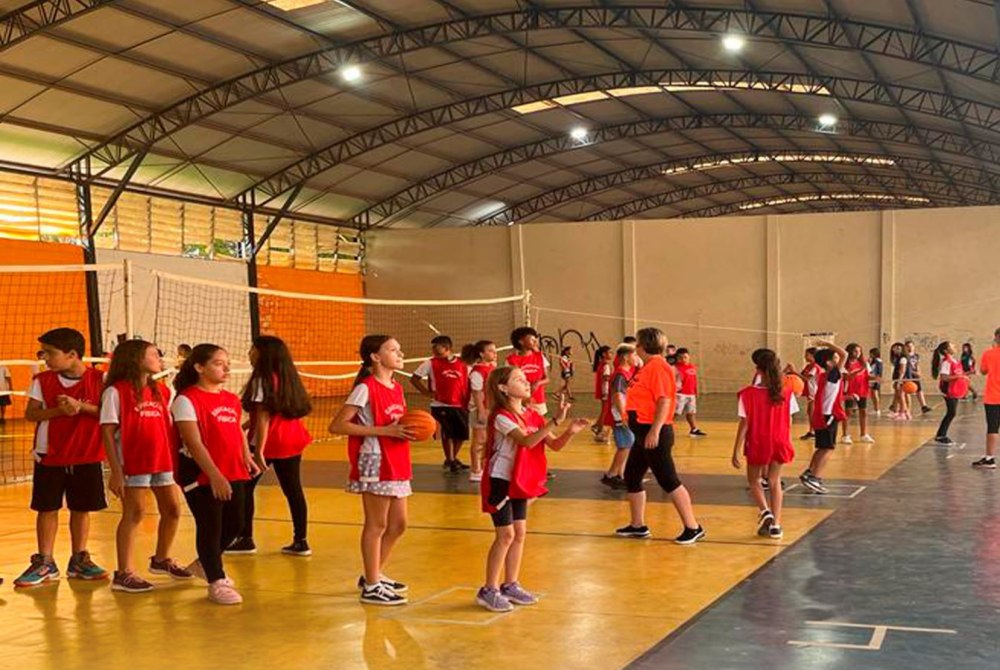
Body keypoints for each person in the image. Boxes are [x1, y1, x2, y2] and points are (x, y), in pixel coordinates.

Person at [476, 366, 588, 613]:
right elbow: (526, 441)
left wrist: (569, 431)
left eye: (526, 379)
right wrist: (554, 421)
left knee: (519, 533)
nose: (527, 383)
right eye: (519, 380)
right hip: (500, 480)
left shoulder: (532, 415)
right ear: (503, 388)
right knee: (505, 535)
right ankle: (488, 589)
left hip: (520, 480)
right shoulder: (501, 416)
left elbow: (554, 445)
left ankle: (510, 584)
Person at [14, 328, 108, 588]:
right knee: (47, 508)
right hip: (50, 454)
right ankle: (45, 561)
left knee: (81, 508)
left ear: (72, 355)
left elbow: (108, 412)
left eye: (49, 353)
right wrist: (59, 411)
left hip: (87, 454)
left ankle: (79, 559)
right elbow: (31, 414)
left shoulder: (99, 380)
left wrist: (81, 406)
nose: (44, 358)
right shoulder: (42, 380)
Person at [329, 335, 416, 606]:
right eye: (393, 350)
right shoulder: (365, 388)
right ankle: (371, 586)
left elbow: (398, 422)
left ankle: (373, 573)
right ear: (375, 357)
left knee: (399, 524)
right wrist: (385, 431)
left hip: (397, 456)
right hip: (376, 459)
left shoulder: (397, 387)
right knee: (377, 524)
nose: (400, 353)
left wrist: (417, 428)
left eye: (399, 349)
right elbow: (337, 426)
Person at [101, 339, 192, 593]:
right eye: (154, 354)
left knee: (173, 510)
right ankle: (124, 573)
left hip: (162, 460)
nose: (159, 358)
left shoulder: (161, 390)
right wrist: (116, 472)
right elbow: (107, 432)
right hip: (133, 463)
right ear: (136, 359)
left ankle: (161, 559)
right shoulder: (115, 392)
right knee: (135, 513)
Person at [173, 344, 260, 605]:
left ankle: (205, 562)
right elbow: (193, 442)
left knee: (236, 523)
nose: (226, 368)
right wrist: (214, 475)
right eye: (219, 364)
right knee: (210, 525)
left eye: (227, 363)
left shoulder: (231, 399)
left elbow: (236, 431)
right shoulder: (186, 400)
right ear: (200, 367)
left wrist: (247, 457)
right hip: (201, 474)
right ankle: (216, 579)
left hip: (233, 469)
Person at [615, 327, 704, 544]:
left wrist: (654, 430)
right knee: (632, 476)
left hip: (654, 432)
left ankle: (693, 527)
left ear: (643, 346)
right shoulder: (647, 367)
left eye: (637, 343)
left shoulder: (658, 367)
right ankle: (638, 525)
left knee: (668, 479)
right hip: (642, 432)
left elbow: (664, 400)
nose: (635, 347)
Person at [232, 335, 313, 556]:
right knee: (293, 490)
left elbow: (264, 418)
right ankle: (301, 541)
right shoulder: (287, 378)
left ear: (263, 354)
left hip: (270, 442)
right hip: (292, 439)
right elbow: (268, 414)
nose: (249, 353)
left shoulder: (262, 380)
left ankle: (245, 538)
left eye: (253, 349)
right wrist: (244, 426)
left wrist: (258, 452)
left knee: (244, 489)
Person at [731, 349, 797, 540]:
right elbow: (790, 420)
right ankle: (776, 525)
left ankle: (765, 511)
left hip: (758, 441)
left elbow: (744, 424)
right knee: (775, 482)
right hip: (780, 440)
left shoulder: (747, 394)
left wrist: (735, 450)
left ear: (757, 370)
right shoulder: (787, 392)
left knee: (754, 480)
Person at [412, 335, 470, 473]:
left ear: (446, 347)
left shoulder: (463, 363)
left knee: (462, 434)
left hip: (460, 403)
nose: (433, 349)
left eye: (435, 346)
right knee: (447, 432)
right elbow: (414, 379)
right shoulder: (430, 363)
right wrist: (426, 392)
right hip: (440, 404)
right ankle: (450, 459)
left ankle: (452, 458)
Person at [799, 341, 848, 495]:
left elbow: (830, 395)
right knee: (827, 448)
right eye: (835, 358)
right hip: (828, 415)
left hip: (822, 414)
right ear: (829, 362)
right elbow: (844, 354)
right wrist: (826, 343)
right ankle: (815, 477)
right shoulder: (833, 373)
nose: (838, 360)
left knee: (822, 447)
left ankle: (810, 472)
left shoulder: (825, 375)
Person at [601, 343, 637, 489]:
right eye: (634, 355)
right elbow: (617, 395)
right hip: (620, 415)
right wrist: (623, 415)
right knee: (625, 445)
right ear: (626, 357)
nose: (636, 358)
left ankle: (620, 474)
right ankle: (611, 475)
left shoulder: (626, 373)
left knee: (627, 445)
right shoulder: (620, 375)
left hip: (624, 413)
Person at [468, 340, 497, 483]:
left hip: (491, 409)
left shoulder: (492, 367)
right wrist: (481, 411)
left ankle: (485, 468)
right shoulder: (477, 372)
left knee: (488, 441)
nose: (494, 353)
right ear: (481, 354)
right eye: (490, 351)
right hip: (480, 409)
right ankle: (475, 470)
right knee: (479, 441)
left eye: (495, 350)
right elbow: (477, 393)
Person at [931, 341, 969, 445]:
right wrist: (959, 376)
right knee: (951, 412)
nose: (955, 346)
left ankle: (940, 435)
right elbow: (944, 377)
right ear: (946, 350)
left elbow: (957, 374)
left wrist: (964, 376)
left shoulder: (955, 361)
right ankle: (940, 435)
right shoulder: (946, 362)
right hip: (948, 390)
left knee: (951, 413)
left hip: (955, 390)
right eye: (952, 345)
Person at [506, 327, 550, 415]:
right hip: (520, 400)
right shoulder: (511, 360)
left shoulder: (540, 357)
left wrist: (537, 383)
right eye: (532, 339)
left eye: (535, 339)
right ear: (521, 342)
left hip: (538, 399)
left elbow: (547, 378)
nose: (535, 342)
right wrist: (524, 399)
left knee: (539, 422)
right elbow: (511, 381)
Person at [974, 328, 1000, 469]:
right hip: (993, 397)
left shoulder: (989, 353)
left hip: (993, 397)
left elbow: (983, 371)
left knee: (993, 428)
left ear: (996, 338)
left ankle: (990, 459)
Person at [841, 343, 873, 444]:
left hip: (862, 389)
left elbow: (867, 376)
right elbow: (847, 377)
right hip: (850, 390)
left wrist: (876, 378)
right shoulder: (845, 364)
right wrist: (860, 370)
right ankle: (845, 435)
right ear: (850, 351)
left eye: (859, 351)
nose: (857, 353)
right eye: (855, 351)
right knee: (848, 412)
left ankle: (864, 434)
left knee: (863, 412)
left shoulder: (864, 363)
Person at [674, 348, 706, 437]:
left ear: (689, 357)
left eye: (685, 357)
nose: (683, 359)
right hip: (680, 394)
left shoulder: (692, 367)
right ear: (677, 358)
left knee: (691, 413)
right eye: (680, 358)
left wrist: (695, 391)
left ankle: (693, 429)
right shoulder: (675, 368)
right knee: (675, 413)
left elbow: (694, 380)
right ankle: (665, 427)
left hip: (691, 394)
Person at [797, 348, 820, 440]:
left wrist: (793, 371)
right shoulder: (808, 366)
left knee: (812, 412)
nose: (805, 357)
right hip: (809, 392)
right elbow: (801, 376)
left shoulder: (815, 367)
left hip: (814, 392)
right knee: (810, 412)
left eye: (807, 355)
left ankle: (814, 432)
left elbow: (806, 378)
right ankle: (812, 431)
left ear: (813, 356)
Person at [904, 340, 933, 414]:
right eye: (908, 346)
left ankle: (924, 406)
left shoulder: (916, 356)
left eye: (911, 346)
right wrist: (912, 372)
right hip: (907, 374)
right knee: (906, 391)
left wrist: (919, 372)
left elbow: (917, 365)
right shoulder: (904, 356)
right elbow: (904, 367)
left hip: (915, 374)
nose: (910, 348)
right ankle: (905, 408)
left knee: (919, 389)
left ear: (914, 347)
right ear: (905, 347)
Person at [592, 345, 612, 444]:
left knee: (604, 410)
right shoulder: (606, 365)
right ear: (604, 354)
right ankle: (600, 430)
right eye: (610, 352)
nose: (611, 354)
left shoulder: (601, 364)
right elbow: (606, 378)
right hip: (606, 390)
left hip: (604, 390)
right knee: (605, 411)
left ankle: (597, 426)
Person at [889, 342, 911, 420]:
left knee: (901, 397)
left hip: (902, 380)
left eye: (898, 348)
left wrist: (899, 381)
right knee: (899, 396)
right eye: (894, 348)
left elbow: (902, 371)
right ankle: (906, 413)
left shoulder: (903, 358)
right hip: (899, 379)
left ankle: (903, 414)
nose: (895, 350)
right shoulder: (898, 358)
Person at [868, 347, 884, 415]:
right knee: (872, 394)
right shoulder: (873, 361)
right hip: (872, 378)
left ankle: (877, 409)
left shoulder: (878, 361)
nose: (870, 355)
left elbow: (879, 371)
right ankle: (875, 409)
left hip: (875, 379)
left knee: (875, 394)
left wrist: (877, 378)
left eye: (871, 353)